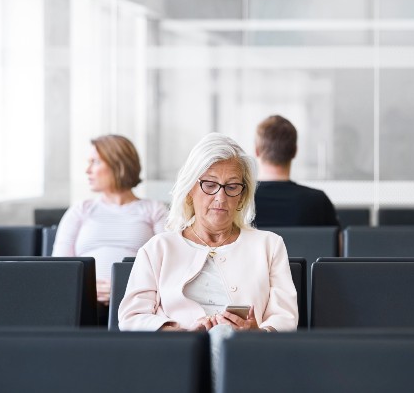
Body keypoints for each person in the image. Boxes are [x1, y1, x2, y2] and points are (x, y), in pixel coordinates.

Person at [119, 132, 298, 333]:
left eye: (231, 187)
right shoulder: (159, 248)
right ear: (189, 191)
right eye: (210, 185)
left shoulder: (269, 245)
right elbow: (131, 318)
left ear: (241, 196)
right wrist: (184, 336)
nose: (220, 198)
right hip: (180, 356)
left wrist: (257, 334)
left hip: (244, 354)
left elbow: (285, 318)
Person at [53, 134, 167, 310]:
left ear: (118, 165)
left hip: (139, 302)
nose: (87, 170)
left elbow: (170, 267)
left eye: (95, 162)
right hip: (83, 301)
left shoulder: (154, 210)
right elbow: (58, 269)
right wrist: (88, 288)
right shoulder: (80, 210)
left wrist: (122, 288)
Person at [254, 115, 340, 227]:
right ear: (295, 151)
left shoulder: (239, 200)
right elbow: (339, 243)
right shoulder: (317, 201)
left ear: (257, 151)